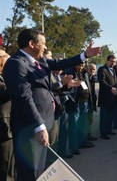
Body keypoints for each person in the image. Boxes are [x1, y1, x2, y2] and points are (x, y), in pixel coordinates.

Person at [2, 28, 100, 180]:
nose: (46, 47)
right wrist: (38, 126)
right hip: (30, 128)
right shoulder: (16, 64)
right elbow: (24, 98)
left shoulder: (40, 61)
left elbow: (61, 63)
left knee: (41, 171)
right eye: (43, 43)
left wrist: (85, 55)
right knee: (31, 172)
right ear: (31, 44)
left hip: (43, 123)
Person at [63, 64, 95, 155]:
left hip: (85, 102)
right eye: (80, 63)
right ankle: (73, 147)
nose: (81, 65)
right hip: (75, 103)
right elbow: (65, 89)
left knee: (82, 124)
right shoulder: (69, 72)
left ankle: (82, 142)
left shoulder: (83, 72)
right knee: (74, 125)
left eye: (83, 63)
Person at [0, 49, 16, 181]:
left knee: (10, 164)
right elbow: (7, 92)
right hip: (3, 129)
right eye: (7, 58)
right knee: (6, 165)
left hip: (8, 127)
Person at [97, 55, 117, 140]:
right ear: (107, 61)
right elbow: (102, 81)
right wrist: (111, 88)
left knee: (110, 116)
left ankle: (109, 130)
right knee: (104, 116)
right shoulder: (102, 69)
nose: (113, 63)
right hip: (105, 98)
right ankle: (103, 133)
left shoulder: (113, 70)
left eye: (114, 62)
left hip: (112, 97)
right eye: (112, 61)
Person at [85, 63, 98, 141]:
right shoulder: (85, 76)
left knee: (90, 120)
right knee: (84, 121)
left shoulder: (92, 78)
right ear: (87, 69)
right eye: (90, 69)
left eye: (93, 69)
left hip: (91, 102)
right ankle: (84, 137)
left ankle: (88, 134)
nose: (92, 71)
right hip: (85, 102)